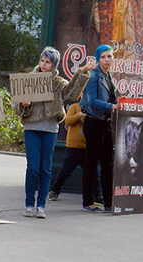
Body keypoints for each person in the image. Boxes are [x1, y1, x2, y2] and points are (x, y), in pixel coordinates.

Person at [14, 46, 94, 218]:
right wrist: (23, 105)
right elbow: (16, 106)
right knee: (33, 168)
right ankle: (29, 204)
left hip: (50, 128)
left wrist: (83, 72)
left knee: (46, 168)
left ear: (54, 65)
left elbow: (72, 92)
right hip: (31, 127)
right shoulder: (29, 80)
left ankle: (41, 206)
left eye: (48, 62)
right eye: (42, 60)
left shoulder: (58, 83)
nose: (44, 64)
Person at [79, 44, 118, 213]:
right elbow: (91, 102)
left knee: (108, 164)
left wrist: (124, 103)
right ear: (97, 59)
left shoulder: (109, 77)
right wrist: (111, 107)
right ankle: (88, 201)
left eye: (109, 56)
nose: (107, 60)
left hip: (106, 123)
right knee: (92, 163)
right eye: (103, 57)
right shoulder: (93, 76)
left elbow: (114, 100)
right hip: (93, 122)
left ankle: (109, 203)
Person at [47, 102, 101, 202]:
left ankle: (96, 195)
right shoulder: (74, 107)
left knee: (94, 173)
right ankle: (55, 190)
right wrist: (79, 115)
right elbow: (68, 121)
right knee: (65, 171)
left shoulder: (94, 108)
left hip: (88, 147)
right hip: (74, 146)